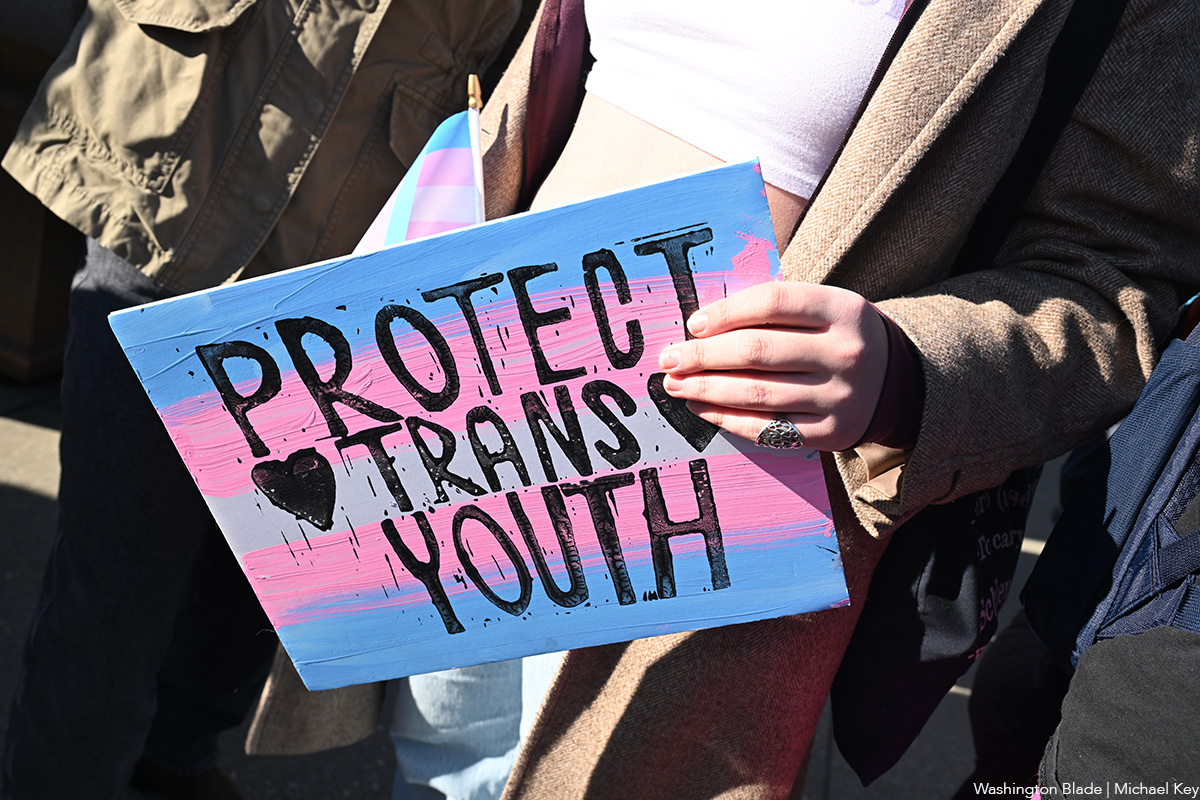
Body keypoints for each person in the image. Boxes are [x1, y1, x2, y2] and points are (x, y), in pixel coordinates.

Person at [469, 0, 1199, 796]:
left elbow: (1114, 279)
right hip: (458, 425)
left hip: (707, 523)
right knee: (448, 760)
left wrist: (908, 372)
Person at [0, 1, 535, 799]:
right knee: (111, 594)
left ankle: (173, 765)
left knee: (255, 579)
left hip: (366, 225)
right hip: (179, 158)